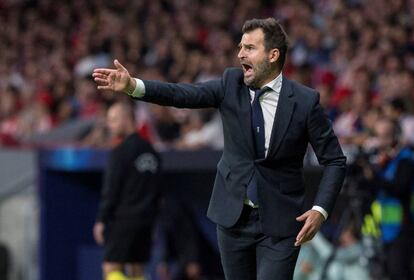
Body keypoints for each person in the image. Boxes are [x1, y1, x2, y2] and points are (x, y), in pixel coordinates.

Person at [92, 18, 346, 280]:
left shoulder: (305, 101)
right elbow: (182, 95)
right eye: (240, 47)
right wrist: (134, 86)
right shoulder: (230, 83)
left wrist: (320, 210)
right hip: (232, 219)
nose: (240, 54)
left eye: (249, 48)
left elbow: (335, 161)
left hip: (280, 223)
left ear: (273, 55)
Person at [93, 101, 161, 280]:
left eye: (113, 120)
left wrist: (102, 219)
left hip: (123, 220)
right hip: (146, 221)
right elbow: (158, 190)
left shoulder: (120, 152)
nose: (110, 125)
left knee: (111, 268)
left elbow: (111, 190)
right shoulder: (152, 151)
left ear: (126, 119)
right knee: (136, 270)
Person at [360, 118, 414, 280]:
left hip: (403, 225)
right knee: (388, 271)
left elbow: (399, 188)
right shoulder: (384, 160)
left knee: (398, 271)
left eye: (384, 136)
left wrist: (373, 175)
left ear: (395, 138)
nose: (379, 142)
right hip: (385, 225)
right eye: (377, 136)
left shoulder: (406, 159)